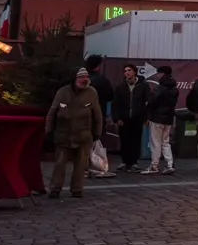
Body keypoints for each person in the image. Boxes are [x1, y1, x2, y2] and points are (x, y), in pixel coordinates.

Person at [45, 66, 103, 198]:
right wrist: (48, 131)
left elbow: (97, 114)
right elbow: (52, 113)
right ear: (74, 79)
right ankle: (55, 188)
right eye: (81, 77)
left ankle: (77, 189)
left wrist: (97, 132)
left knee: (81, 165)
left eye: (86, 77)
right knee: (60, 164)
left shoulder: (91, 92)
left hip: (83, 135)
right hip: (63, 134)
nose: (84, 80)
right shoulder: (63, 92)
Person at [111, 64, 151, 172]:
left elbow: (148, 102)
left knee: (136, 140)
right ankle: (125, 161)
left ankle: (134, 162)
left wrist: (147, 117)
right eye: (125, 71)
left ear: (134, 72)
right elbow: (115, 104)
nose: (127, 73)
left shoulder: (143, 86)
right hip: (124, 117)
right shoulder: (120, 87)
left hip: (137, 116)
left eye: (129, 70)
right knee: (124, 140)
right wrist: (116, 118)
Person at [144, 66, 179, 175]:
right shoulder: (174, 88)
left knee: (155, 143)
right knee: (165, 142)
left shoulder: (159, 88)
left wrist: (147, 114)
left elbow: (152, 101)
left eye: (159, 73)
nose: (157, 75)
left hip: (157, 118)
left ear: (163, 74)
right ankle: (169, 164)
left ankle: (154, 166)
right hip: (168, 118)